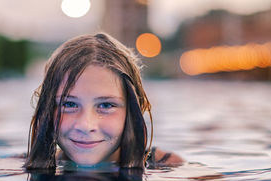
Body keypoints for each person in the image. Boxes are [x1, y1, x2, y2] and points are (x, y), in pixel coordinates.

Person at [24, 32, 182, 169]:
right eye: (69, 104)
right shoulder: (27, 163)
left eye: (106, 105)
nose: (86, 126)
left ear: (133, 109)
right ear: (47, 109)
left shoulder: (166, 165)